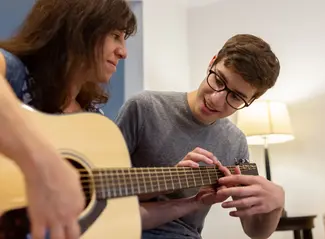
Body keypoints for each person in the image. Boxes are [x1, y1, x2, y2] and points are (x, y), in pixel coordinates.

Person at [115, 34, 285, 239]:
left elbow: (255, 232)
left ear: (251, 99)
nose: (216, 99)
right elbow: (101, 196)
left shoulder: (235, 142)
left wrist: (276, 205)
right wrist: (171, 180)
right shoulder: (144, 108)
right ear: (212, 62)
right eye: (218, 80)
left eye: (235, 97)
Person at [0, 0, 136, 238]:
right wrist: (41, 162)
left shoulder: (95, 121)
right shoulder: (14, 73)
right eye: (115, 35)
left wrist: (182, 202)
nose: (123, 52)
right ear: (80, 28)